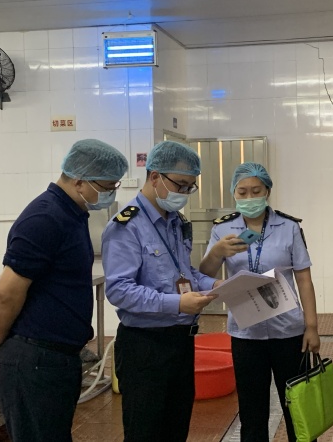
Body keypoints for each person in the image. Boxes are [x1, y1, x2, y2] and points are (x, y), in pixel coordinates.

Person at [0, 139, 128, 442]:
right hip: (33, 358)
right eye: (106, 186)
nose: (110, 194)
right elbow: (7, 292)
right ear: (79, 180)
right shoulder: (45, 217)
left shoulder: (72, 213)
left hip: (56, 357)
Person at [101, 140, 219, 442]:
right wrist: (177, 304)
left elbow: (184, 272)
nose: (184, 193)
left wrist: (213, 285)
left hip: (180, 343)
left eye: (190, 187)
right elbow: (119, 290)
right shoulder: (126, 225)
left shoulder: (175, 222)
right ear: (155, 177)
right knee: (145, 433)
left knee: (176, 430)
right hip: (145, 347)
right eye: (180, 185)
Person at [199, 162, 320, 442]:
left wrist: (312, 327)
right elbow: (205, 274)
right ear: (234, 193)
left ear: (267, 191)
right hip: (246, 333)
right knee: (252, 413)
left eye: (256, 191)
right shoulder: (223, 229)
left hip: (288, 330)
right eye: (242, 192)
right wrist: (216, 252)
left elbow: (304, 278)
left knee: (298, 410)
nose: (250, 197)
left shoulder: (288, 227)